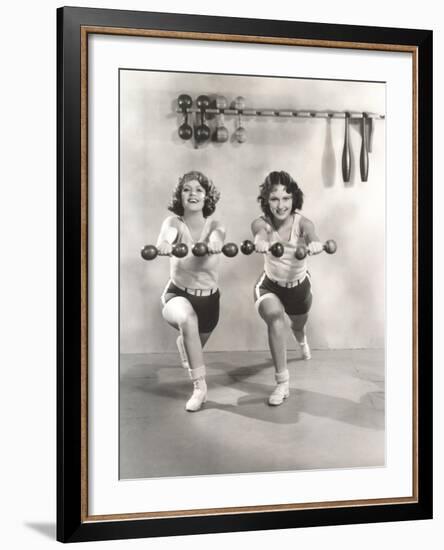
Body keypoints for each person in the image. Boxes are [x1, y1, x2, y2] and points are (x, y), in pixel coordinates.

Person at [251, 170, 324, 406]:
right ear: (266, 200)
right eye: (274, 198)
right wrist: (260, 242)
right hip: (270, 285)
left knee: (298, 324)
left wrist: (314, 244)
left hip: (298, 287)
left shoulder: (303, 223)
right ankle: (282, 383)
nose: (280, 205)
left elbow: (312, 234)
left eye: (286, 198)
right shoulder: (262, 223)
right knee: (275, 317)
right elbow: (259, 233)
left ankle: (301, 341)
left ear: (294, 199)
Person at [156, 170, 225, 412]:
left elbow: (218, 236)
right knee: (187, 318)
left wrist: (215, 243)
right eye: (187, 189)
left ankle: (184, 343)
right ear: (180, 196)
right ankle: (200, 388)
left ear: (207, 197)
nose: (192, 193)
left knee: (194, 337)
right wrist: (165, 244)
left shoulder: (215, 224)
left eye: (198, 189)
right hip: (177, 294)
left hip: (210, 302)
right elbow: (167, 236)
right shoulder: (173, 222)